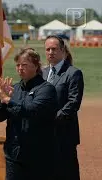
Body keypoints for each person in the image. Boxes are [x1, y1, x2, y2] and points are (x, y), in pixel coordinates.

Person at [0, 48, 58, 180]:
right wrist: (2, 102)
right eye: (18, 65)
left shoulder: (46, 89)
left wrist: (9, 100)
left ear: (36, 66)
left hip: (39, 155)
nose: (20, 68)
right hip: (14, 154)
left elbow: (31, 110)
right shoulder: (14, 89)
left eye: (24, 65)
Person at [43, 35, 84, 180]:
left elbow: (73, 102)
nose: (50, 52)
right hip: (43, 134)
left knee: (67, 172)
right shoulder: (42, 73)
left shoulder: (73, 73)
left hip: (64, 133)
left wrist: (53, 119)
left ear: (63, 51)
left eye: (54, 49)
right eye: (47, 49)